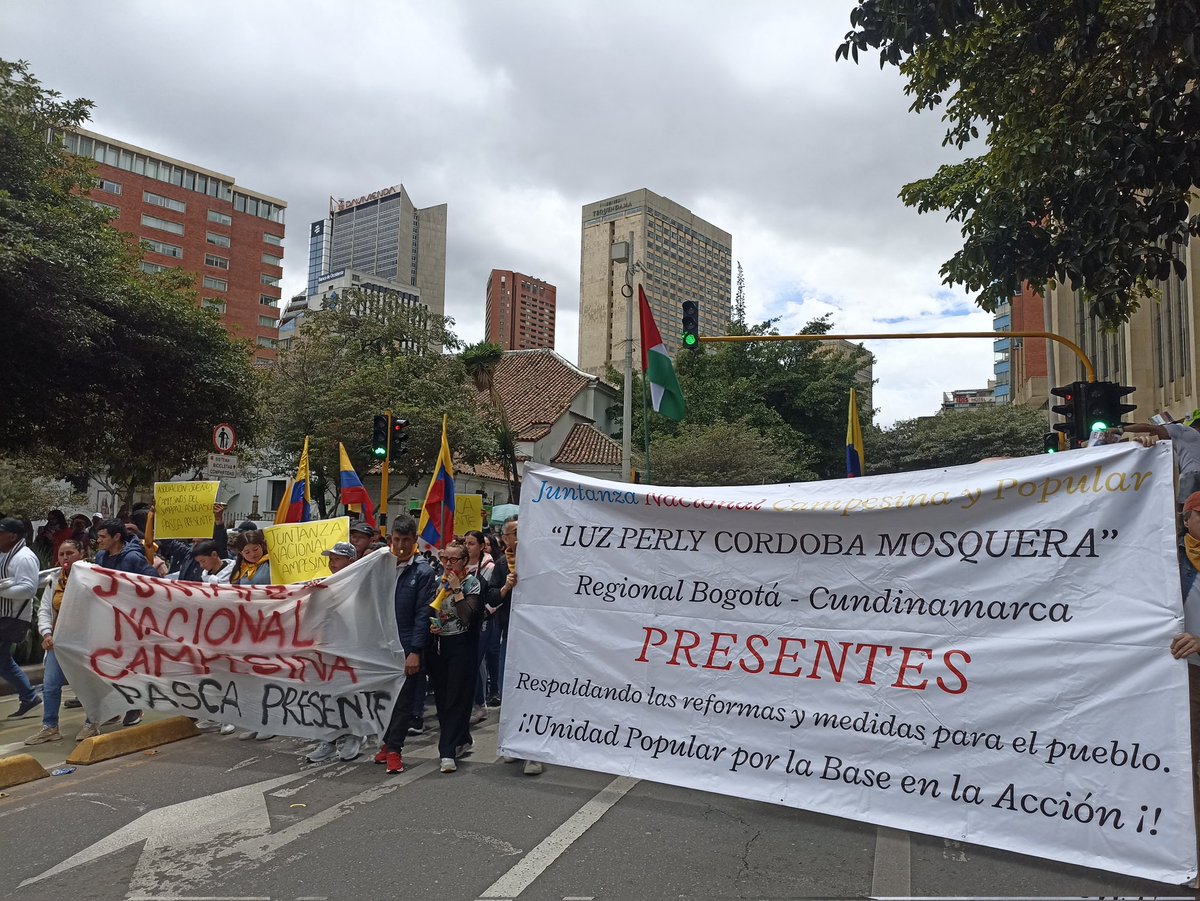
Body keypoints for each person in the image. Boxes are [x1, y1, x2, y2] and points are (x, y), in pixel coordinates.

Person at [375, 515, 436, 775]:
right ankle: (386, 741)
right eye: (396, 540)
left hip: (406, 646)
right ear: (390, 539)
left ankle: (395, 751)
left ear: (414, 541)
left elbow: (424, 614)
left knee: (403, 702)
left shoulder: (423, 572)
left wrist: (414, 651)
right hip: (380, 645)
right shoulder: (379, 566)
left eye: (406, 541)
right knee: (383, 698)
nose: (400, 546)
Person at [305, 542, 368, 763]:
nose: (332, 562)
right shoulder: (324, 584)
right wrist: (314, 593)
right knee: (326, 695)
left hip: (353, 649)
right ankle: (329, 740)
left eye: (337, 558)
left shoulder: (361, 584)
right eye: (330, 558)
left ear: (350, 561)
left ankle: (355, 734)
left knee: (350, 693)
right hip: (327, 649)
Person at [491, 516, 542, 776]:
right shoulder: (502, 565)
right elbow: (491, 596)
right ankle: (512, 744)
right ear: (506, 539)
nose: (519, 538)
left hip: (536, 639)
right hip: (510, 634)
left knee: (533, 693)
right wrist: (506, 587)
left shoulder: (540, 561)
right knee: (509, 692)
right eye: (514, 533)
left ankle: (533, 754)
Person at [427, 541, 483, 773]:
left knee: (455, 698)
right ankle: (461, 738)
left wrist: (458, 589)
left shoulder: (472, 583)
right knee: (442, 699)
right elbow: (430, 611)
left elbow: (467, 616)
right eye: (444, 560)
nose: (448, 564)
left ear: (463, 561)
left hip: (462, 646)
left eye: (453, 560)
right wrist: (433, 626)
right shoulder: (435, 582)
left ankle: (446, 752)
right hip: (440, 645)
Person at [25, 540, 86, 744]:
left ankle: (92, 722)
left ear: (81, 553)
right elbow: (44, 610)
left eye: (70, 552)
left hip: (85, 642)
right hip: (57, 643)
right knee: (50, 685)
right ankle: (50, 727)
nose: (65, 557)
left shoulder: (92, 576)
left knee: (86, 684)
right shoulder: (54, 579)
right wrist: (46, 633)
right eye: (61, 554)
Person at [0, 517, 42, 717]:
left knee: (3, 661)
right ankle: (29, 697)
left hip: (13, 618)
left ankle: (29, 697)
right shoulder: (6, 554)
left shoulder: (24, 557)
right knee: (4, 661)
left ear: (12, 536)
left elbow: (28, 589)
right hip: (4, 616)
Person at [1125, 411, 1200, 503]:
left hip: (1192, 475)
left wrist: (1120, 429)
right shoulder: (1190, 441)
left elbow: (1147, 427)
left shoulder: (1180, 429)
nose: (1161, 437)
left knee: (1185, 511)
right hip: (1191, 475)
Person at [465, 529, 499, 721]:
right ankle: (475, 703)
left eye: (472, 544)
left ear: (481, 546)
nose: (468, 547)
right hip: (465, 619)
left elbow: (494, 596)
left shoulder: (490, 567)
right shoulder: (461, 564)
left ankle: (479, 704)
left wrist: (484, 612)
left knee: (476, 660)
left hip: (484, 620)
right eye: (466, 543)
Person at [163, 503, 228, 582]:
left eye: (199, 542)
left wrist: (219, 521)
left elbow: (221, 542)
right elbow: (168, 542)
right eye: (194, 542)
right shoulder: (188, 554)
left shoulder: (217, 556)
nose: (195, 545)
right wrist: (158, 517)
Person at [94, 518, 158, 577]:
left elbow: (153, 581)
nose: (98, 540)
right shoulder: (100, 556)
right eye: (98, 537)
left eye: (103, 537)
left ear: (117, 537)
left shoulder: (133, 558)